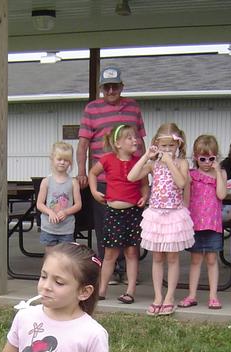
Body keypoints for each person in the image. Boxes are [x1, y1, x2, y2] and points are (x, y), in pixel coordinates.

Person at [77, 66, 147, 282]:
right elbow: (83, 144)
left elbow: (141, 141)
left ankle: (126, 270)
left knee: (130, 227)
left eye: (114, 86)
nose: (110, 91)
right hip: (103, 180)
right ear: (101, 89)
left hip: (132, 179)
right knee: (106, 228)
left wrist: (146, 172)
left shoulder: (133, 107)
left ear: (121, 87)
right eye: (106, 87)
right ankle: (108, 271)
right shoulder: (91, 109)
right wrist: (82, 172)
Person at [129, 123, 195, 316]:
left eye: (171, 146)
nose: (167, 150)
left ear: (178, 146)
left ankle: (170, 296)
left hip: (174, 214)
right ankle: (158, 296)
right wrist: (145, 156)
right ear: (156, 145)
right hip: (156, 213)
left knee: (172, 257)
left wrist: (170, 162)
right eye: (163, 146)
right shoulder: (152, 163)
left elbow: (182, 183)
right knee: (157, 257)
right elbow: (131, 176)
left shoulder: (181, 163)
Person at [88, 124, 148, 304]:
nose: (135, 140)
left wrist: (145, 195)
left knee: (131, 252)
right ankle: (102, 289)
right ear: (118, 143)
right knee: (109, 254)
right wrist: (93, 190)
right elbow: (92, 173)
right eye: (129, 138)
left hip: (133, 212)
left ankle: (130, 291)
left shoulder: (138, 162)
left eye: (135, 137)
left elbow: (144, 183)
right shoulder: (107, 159)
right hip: (114, 213)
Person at [179, 134, 227, 310]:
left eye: (211, 158)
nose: (207, 162)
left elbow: (221, 195)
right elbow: (186, 197)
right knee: (196, 259)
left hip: (213, 224)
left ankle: (213, 295)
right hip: (196, 223)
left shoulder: (220, 174)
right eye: (203, 158)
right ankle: (192, 294)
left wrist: (219, 173)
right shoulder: (191, 175)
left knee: (212, 259)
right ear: (195, 158)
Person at [36, 142, 82, 251]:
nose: (62, 162)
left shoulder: (73, 182)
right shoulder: (46, 181)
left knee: (65, 257)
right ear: (52, 159)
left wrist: (66, 212)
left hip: (66, 229)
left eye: (66, 160)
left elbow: (78, 205)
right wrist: (50, 212)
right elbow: (39, 204)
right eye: (59, 159)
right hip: (49, 227)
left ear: (70, 162)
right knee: (50, 256)